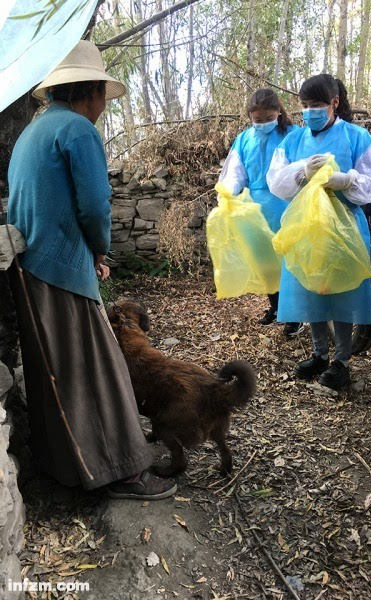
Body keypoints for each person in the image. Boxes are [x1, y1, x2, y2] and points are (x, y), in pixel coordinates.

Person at [7, 40, 177, 500]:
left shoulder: (34, 132)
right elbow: (95, 207)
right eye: (102, 94)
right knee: (96, 371)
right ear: (92, 92)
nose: (102, 105)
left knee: (55, 372)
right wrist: (99, 253)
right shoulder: (79, 131)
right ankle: (121, 472)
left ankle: (63, 468)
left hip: (32, 266)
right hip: (60, 266)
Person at [267, 74, 371, 390]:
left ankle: (341, 361)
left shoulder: (356, 137)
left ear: (334, 103)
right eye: (305, 106)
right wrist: (300, 172)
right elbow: (276, 182)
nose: (310, 112)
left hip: (344, 225)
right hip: (306, 226)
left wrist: (348, 180)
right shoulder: (292, 140)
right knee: (312, 287)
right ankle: (320, 354)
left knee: (342, 290)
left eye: (317, 105)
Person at [219, 88, 303, 337]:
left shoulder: (294, 135)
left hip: (289, 205)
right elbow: (236, 172)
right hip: (258, 208)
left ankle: (294, 315)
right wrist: (227, 193)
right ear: (249, 116)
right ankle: (276, 308)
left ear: (278, 112)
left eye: (268, 118)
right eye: (258, 120)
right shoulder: (245, 139)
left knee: (290, 262)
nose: (263, 123)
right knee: (267, 262)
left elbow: (303, 168)